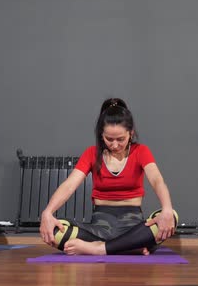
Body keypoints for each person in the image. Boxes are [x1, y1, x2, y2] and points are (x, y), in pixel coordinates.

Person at [39, 98, 178, 255]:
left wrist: (166, 208)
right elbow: (70, 185)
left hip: (133, 225)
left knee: (171, 216)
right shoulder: (91, 153)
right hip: (99, 226)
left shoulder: (141, 151)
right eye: (109, 139)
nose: (115, 145)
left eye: (121, 139)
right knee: (56, 230)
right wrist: (48, 212)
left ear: (131, 133)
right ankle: (129, 246)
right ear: (101, 135)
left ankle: (99, 248)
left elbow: (157, 180)